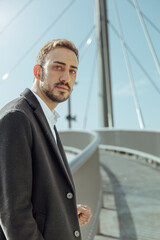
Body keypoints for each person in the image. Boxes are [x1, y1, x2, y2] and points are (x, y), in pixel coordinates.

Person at [0, 39, 92, 240]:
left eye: (72, 71)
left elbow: (34, 193)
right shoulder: (17, 117)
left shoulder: (46, 119)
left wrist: (64, 211)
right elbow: (14, 215)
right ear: (37, 71)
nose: (66, 77)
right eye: (58, 67)